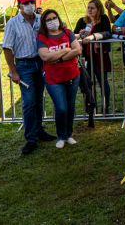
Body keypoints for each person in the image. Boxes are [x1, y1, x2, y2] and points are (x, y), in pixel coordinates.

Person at [3, 0, 57, 155]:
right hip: (24, 65)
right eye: (25, 3)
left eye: (31, 2)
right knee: (28, 102)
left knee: (39, 100)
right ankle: (31, 138)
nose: (29, 6)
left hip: (41, 63)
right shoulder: (13, 23)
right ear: (19, 5)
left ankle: (39, 130)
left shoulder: (41, 20)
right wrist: (13, 71)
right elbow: (7, 48)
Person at [37, 9, 82, 149]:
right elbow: (45, 57)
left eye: (54, 18)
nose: (52, 21)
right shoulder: (42, 37)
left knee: (70, 107)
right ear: (44, 23)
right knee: (61, 108)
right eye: (48, 19)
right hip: (53, 79)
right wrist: (65, 51)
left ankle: (68, 134)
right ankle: (61, 135)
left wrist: (57, 58)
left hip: (72, 76)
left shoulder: (68, 33)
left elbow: (78, 50)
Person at [74, 0, 112, 113]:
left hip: (99, 56)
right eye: (88, 7)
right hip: (85, 57)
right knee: (87, 83)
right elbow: (73, 35)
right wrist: (80, 34)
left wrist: (93, 37)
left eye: (93, 8)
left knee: (103, 82)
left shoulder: (104, 19)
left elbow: (107, 33)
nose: (90, 10)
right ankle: (90, 109)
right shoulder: (82, 21)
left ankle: (105, 108)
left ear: (99, 9)